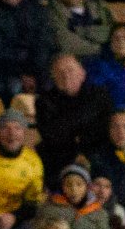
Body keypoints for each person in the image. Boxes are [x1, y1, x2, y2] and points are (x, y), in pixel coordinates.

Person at [35, 55, 113, 189]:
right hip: (61, 156)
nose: (66, 75)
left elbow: (105, 130)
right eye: (60, 72)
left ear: (82, 73)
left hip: (96, 153)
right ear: (53, 78)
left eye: (70, 70)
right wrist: (75, 154)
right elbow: (50, 135)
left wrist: (66, 123)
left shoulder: (100, 95)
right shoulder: (44, 101)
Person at [0, 0, 54, 105]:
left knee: (52, 82)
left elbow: (43, 45)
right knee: (13, 86)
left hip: (35, 69)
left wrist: (33, 72)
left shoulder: (37, 9)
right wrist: (21, 74)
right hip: (2, 70)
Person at [34, 164, 114, 229]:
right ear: (62, 187)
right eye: (68, 185)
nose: (74, 189)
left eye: (79, 184)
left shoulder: (99, 213)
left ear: (87, 187)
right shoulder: (50, 209)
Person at [44, 0, 111, 62]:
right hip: (75, 62)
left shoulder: (99, 6)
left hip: (107, 59)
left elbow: (110, 33)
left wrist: (79, 32)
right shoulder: (52, 12)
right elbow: (65, 42)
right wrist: (101, 48)